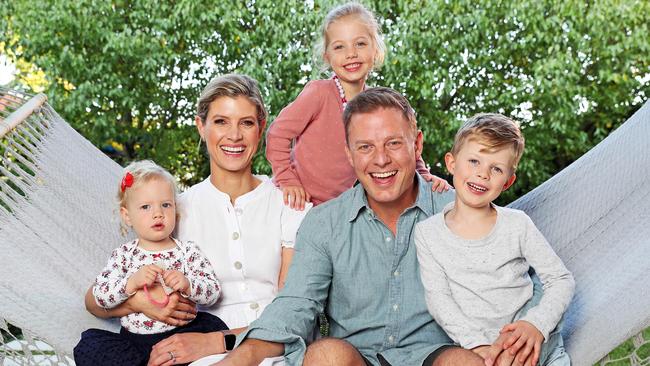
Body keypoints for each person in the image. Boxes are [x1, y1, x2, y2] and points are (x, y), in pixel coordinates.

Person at [218, 87, 553, 366]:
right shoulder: (324, 223)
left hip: (435, 354)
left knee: (464, 363)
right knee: (325, 355)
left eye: (393, 143)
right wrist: (242, 355)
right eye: (365, 147)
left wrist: (529, 325)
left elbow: (528, 279)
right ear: (349, 153)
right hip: (356, 356)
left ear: (417, 145)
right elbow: (296, 304)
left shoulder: (459, 208)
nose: (380, 160)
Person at [82, 74, 309, 366]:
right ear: (201, 127)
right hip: (195, 353)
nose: (235, 136)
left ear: (261, 128)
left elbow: (295, 307)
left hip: (277, 346)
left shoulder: (288, 203)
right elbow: (94, 300)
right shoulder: (173, 210)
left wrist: (217, 342)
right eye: (221, 122)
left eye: (247, 122)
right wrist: (137, 303)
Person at [414, 114, 575, 366]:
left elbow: (561, 280)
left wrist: (536, 325)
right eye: (474, 161)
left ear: (508, 181)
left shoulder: (517, 224)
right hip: (476, 349)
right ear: (451, 163)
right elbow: (439, 299)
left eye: (496, 168)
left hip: (531, 344)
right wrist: (476, 344)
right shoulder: (428, 233)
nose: (482, 174)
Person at [265, 2, 448, 210]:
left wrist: (424, 176)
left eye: (360, 44)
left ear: (375, 48)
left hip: (333, 208)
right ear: (327, 56)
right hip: (292, 201)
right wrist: (288, 180)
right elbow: (277, 135)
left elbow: (403, 142)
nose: (350, 53)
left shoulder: (376, 105)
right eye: (339, 47)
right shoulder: (319, 93)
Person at [74, 160, 227, 366]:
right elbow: (101, 295)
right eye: (145, 207)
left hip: (183, 334)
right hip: (136, 343)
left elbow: (213, 292)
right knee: (88, 345)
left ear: (175, 208)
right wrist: (130, 284)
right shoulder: (124, 255)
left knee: (215, 328)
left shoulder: (187, 251)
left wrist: (189, 284)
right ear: (127, 216)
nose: (158, 213)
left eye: (166, 205)